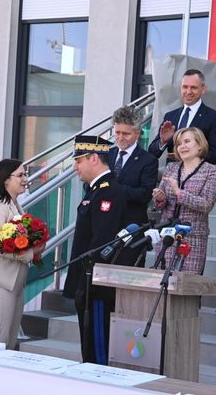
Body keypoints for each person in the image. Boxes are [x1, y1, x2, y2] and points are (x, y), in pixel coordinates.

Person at [63, 135, 126, 364]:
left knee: (97, 350)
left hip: (96, 284)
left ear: (94, 159)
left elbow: (101, 242)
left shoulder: (108, 191)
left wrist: (86, 282)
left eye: (79, 161)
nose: (75, 167)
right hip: (87, 280)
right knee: (88, 345)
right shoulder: (96, 190)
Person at [0, 159, 45, 350]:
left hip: (15, 283)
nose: (25, 179)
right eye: (21, 175)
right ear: (6, 179)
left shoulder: (14, 204)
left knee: (9, 343)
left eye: (25, 174)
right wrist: (30, 253)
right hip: (0, 282)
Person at [151, 127, 216, 274]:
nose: (182, 146)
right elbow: (161, 204)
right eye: (179, 143)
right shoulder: (171, 168)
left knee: (188, 283)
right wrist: (159, 199)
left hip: (193, 237)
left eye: (187, 141)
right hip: (168, 235)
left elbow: (206, 204)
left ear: (200, 144)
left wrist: (179, 192)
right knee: (161, 278)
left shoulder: (211, 170)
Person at [108, 105, 158, 266]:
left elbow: (144, 194)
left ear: (137, 133)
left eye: (126, 133)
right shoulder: (106, 155)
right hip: (105, 226)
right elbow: (90, 186)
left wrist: (112, 189)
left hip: (132, 228)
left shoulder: (148, 160)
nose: (120, 137)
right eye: (117, 132)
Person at [148, 69, 216, 165]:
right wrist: (163, 141)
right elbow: (152, 153)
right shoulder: (170, 116)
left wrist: (188, 154)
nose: (188, 92)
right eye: (185, 87)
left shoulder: (213, 117)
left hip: (197, 172)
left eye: (193, 87)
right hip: (172, 172)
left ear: (203, 89)